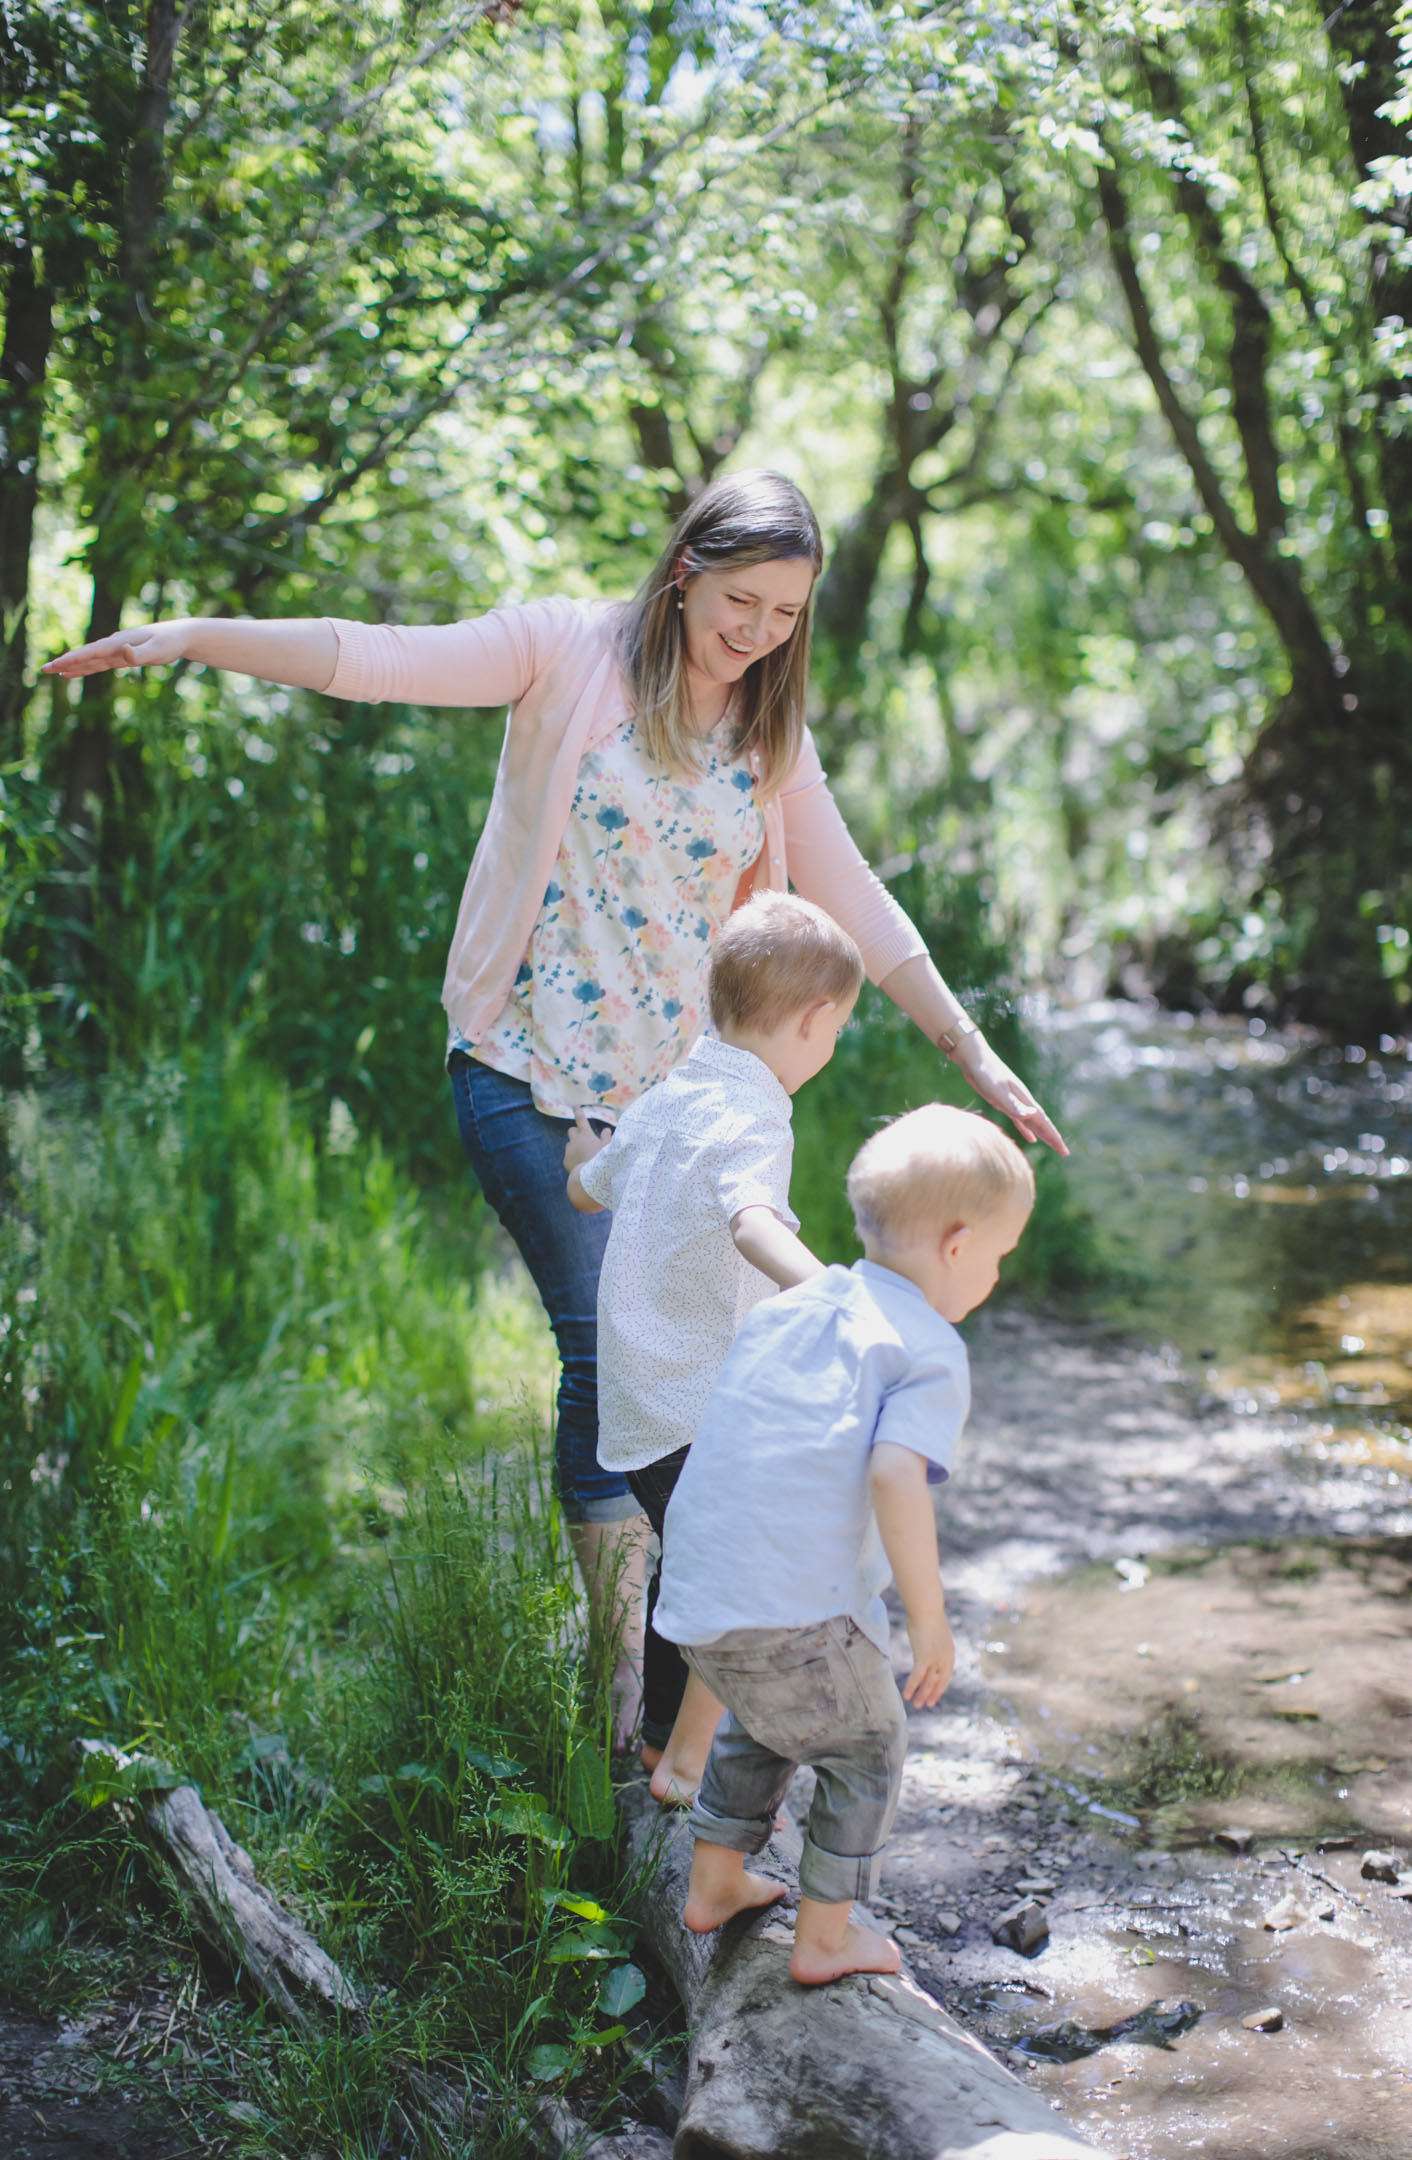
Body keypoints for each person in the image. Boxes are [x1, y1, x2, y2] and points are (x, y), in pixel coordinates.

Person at [42, 468, 1064, 1744]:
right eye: (740, 599)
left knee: (704, 1372)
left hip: (679, 1113)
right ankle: (619, 1685)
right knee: (607, 1344)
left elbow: (855, 894)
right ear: (684, 567)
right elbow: (374, 657)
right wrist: (194, 639)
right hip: (525, 1077)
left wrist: (975, 1054)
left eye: (787, 614)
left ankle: (676, 1702)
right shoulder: (562, 650)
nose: (757, 632)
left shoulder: (766, 731)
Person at [653, 1103, 1035, 1986]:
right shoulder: (927, 1347)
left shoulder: (801, 1304)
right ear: (955, 1245)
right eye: (1000, 1257)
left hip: (700, 1594)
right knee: (865, 1747)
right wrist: (930, 1626)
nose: (998, 1274)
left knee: (766, 1715)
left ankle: (714, 1879)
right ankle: (825, 1938)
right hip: (792, 1611)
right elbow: (897, 1476)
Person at [563, 891, 864, 1801]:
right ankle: (694, 1775)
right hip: (700, 1403)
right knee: (736, 1581)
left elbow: (587, 1190)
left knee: (682, 1563)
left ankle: (660, 1745)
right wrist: (834, 1297)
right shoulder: (754, 1118)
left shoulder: (668, 1098)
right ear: (814, 1023)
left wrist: (582, 1152)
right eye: (839, 1030)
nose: (834, 1045)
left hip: (641, 1398)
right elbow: (751, 1221)